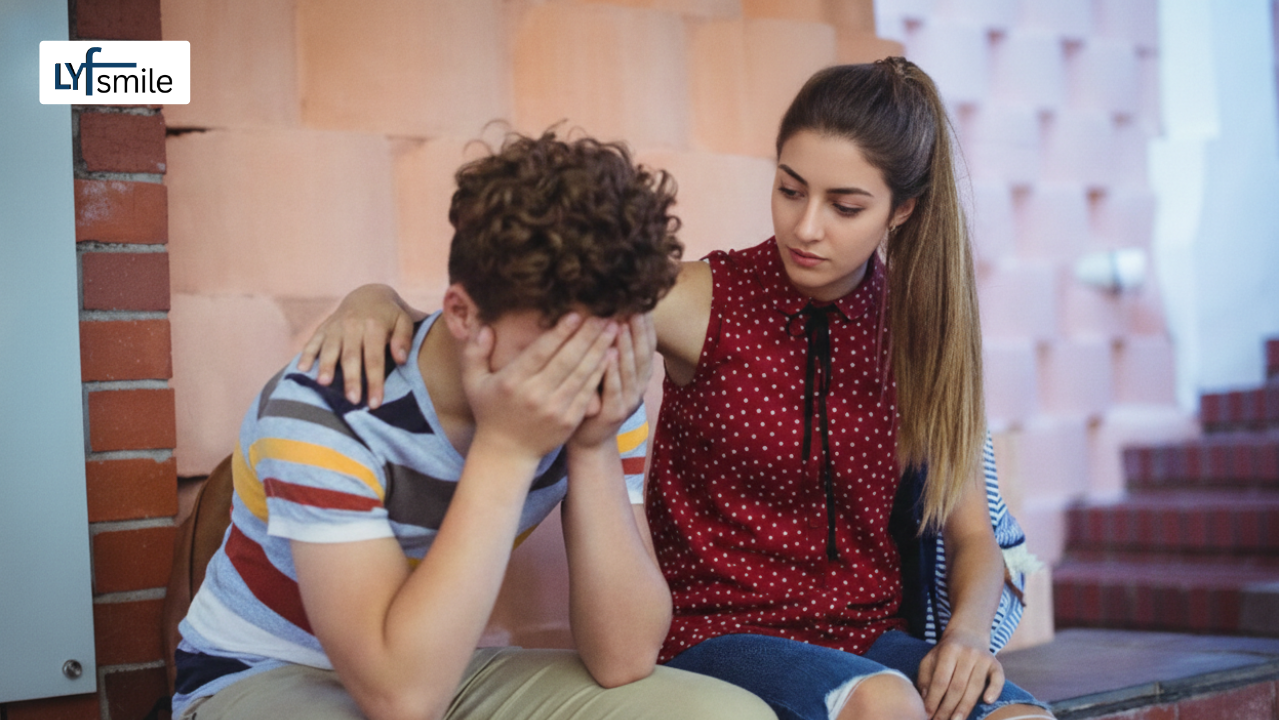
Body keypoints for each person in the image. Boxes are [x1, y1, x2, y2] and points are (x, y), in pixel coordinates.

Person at [301, 59, 1054, 720]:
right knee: (884, 706)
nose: (807, 226)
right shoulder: (701, 297)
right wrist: (380, 300)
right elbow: (535, 308)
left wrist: (961, 640)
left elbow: (972, 537)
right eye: (790, 190)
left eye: (845, 206)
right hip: (718, 632)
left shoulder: (922, 335)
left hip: (869, 635)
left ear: (904, 210)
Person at [171, 131, 777, 720]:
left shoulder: (598, 392)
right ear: (462, 314)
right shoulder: (328, 405)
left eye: (616, 329)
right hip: (267, 674)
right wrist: (508, 450)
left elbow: (623, 657)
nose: (587, 360)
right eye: (559, 334)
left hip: (442, 664)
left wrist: (593, 448)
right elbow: (402, 701)